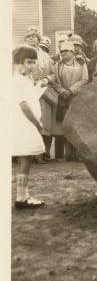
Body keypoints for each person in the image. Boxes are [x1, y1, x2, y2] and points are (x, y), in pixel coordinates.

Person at [12, 46, 45, 209]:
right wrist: (37, 124)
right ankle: (21, 198)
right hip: (25, 125)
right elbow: (23, 105)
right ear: (19, 63)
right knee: (25, 159)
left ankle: (23, 196)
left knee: (25, 160)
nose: (32, 66)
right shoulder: (18, 80)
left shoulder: (24, 80)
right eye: (28, 62)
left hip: (26, 124)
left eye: (34, 62)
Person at [51, 40, 88, 161]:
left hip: (76, 98)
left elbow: (84, 80)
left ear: (72, 52)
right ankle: (68, 154)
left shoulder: (81, 64)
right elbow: (54, 81)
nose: (63, 53)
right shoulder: (57, 65)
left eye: (65, 51)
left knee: (76, 126)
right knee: (64, 126)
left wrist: (71, 90)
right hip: (63, 99)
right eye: (61, 51)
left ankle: (77, 153)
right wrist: (62, 91)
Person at [24, 27, 55, 163]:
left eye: (34, 36)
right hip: (27, 91)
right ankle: (27, 153)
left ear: (38, 39)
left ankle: (42, 153)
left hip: (42, 92)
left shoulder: (46, 56)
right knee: (29, 121)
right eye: (29, 36)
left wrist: (46, 79)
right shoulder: (21, 54)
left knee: (44, 122)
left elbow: (53, 74)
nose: (31, 38)